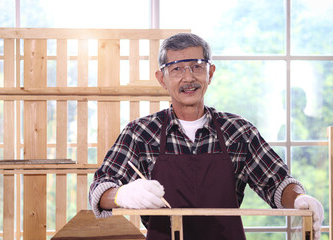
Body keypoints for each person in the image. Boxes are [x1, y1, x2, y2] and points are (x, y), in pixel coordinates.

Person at [89, 33, 324, 240]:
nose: (188, 78)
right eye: (177, 69)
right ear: (162, 79)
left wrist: (300, 200)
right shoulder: (140, 133)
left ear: (210, 73)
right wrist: (123, 194)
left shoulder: (238, 131)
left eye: (197, 66)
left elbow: (277, 183)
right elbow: (99, 191)